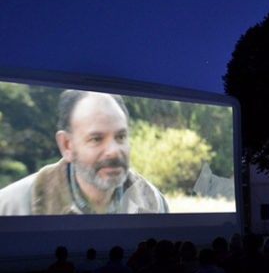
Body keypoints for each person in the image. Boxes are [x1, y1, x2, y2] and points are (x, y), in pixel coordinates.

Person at [0, 89, 168, 215]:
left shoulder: (154, 202)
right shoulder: (11, 206)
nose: (114, 151)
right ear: (67, 145)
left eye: (121, 136)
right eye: (96, 139)